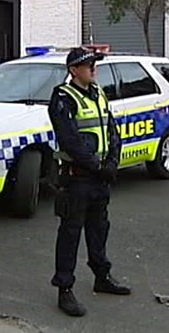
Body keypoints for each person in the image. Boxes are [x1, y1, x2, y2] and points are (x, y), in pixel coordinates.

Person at [48, 47, 130, 317]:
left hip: (99, 179)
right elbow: (70, 139)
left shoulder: (98, 93)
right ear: (74, 70)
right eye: (89, 65)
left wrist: (112, 162)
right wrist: (97, 166)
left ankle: (102, 277)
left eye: (95, 64)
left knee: (99, 230)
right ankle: (65, 290)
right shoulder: (62, 98)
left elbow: (111, 129)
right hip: (77, 179)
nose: (94, 68)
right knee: (71, 234)